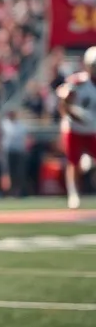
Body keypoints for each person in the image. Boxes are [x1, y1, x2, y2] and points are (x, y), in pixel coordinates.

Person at [55, 47, 96, 209]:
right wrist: (75, 113)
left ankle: (88, 162)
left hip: (92, 129)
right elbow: (63, 102)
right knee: (73, 162)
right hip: (75, 128)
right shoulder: (79, 82)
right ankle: (73, 194)